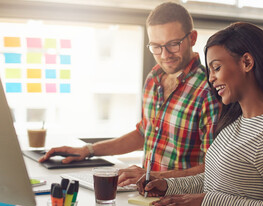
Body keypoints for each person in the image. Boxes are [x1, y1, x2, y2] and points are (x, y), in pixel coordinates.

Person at [136, 22, 263, 206]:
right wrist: (167, 186)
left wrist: (206, 201)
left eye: (216, 68)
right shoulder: (233, 123)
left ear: (246, 62)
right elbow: (216, 181)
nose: (211, 79)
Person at [39, 2, 220, 185]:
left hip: (182, 200)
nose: (165, 55)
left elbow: (214, 168)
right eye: (156, 46)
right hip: (147, 194)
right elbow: (144, 133)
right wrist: (88, 150)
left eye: (173, 44)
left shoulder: (209, 90)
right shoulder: (154, 78)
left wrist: (152, 177)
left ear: (193, 38)